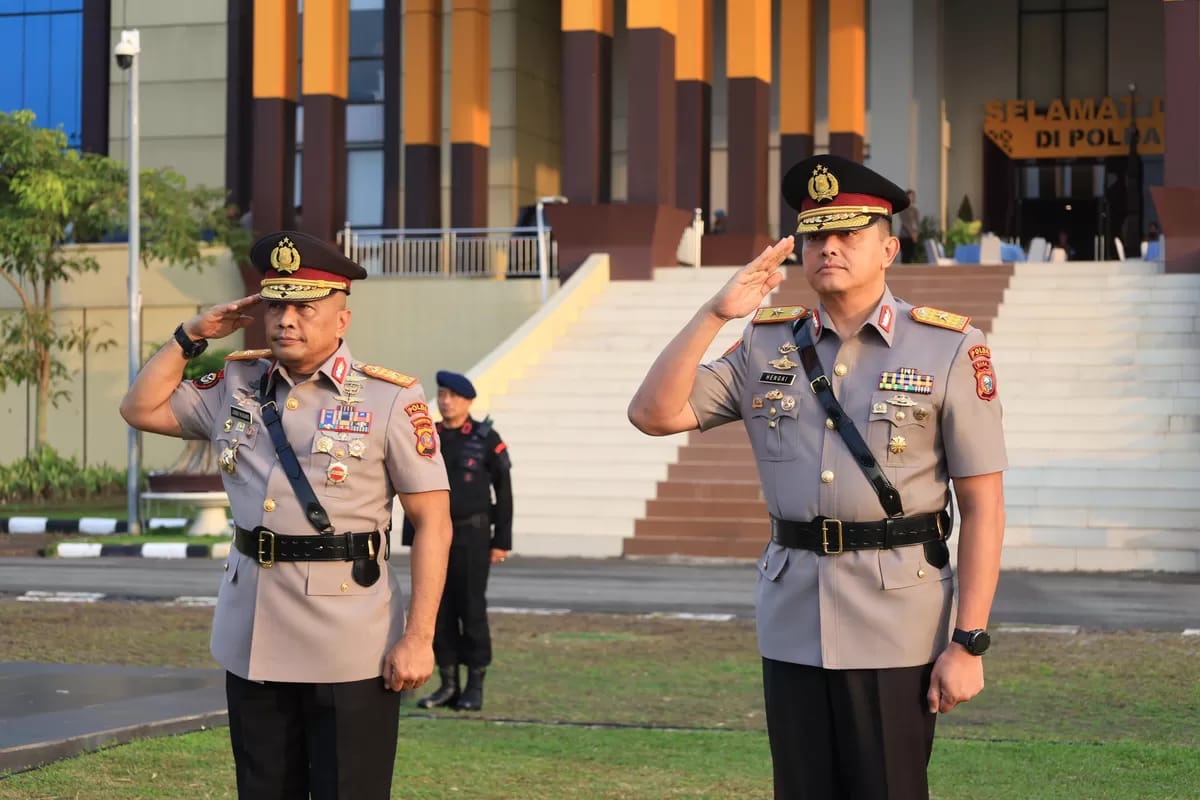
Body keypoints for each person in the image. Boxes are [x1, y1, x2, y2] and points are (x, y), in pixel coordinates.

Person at [628, 154, 1007, 800]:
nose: (827, 248)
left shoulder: (948, 347)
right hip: (794, 619)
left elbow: (983, 505)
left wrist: (968, 641)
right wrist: (716, 314)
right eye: (814, 236)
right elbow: (653, 413)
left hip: (897, 623)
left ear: (888, 247)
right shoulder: (764, 343)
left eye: (847, 234)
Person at [119, 230, 453, 800]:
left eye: (305, 306)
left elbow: (434, 524)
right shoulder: (236, 382)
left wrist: (418, 638)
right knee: (263, 788)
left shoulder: (391, 399)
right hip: (254, 629)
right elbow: (139, 407)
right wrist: (192, 334)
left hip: (351, 638)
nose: (286, 320)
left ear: (342, 319)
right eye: (276, 305)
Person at [404, 370, 512, 711]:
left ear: (468, 401)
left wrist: (501, 541)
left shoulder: (485, 437)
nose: (447, 401)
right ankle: (448, 684)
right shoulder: (429, 437)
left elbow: (504, 492)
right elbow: (413, 486)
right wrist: (412, 536)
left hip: (473, 535)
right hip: (434, 536)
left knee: (471, 608)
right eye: (443, 395)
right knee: (438, 608)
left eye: (454, 396)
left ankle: (474, 685)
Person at [899, 189, 920, 263]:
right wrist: (912, 234)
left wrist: (916, 233)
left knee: (912, 257)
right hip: (905, 236)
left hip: (914, 236)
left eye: (912, 196)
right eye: (909, 196)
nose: (911, 198)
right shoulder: (903, 209)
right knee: (905, 257)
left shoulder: (915, 210)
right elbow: (905, 223)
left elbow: (917, 223)